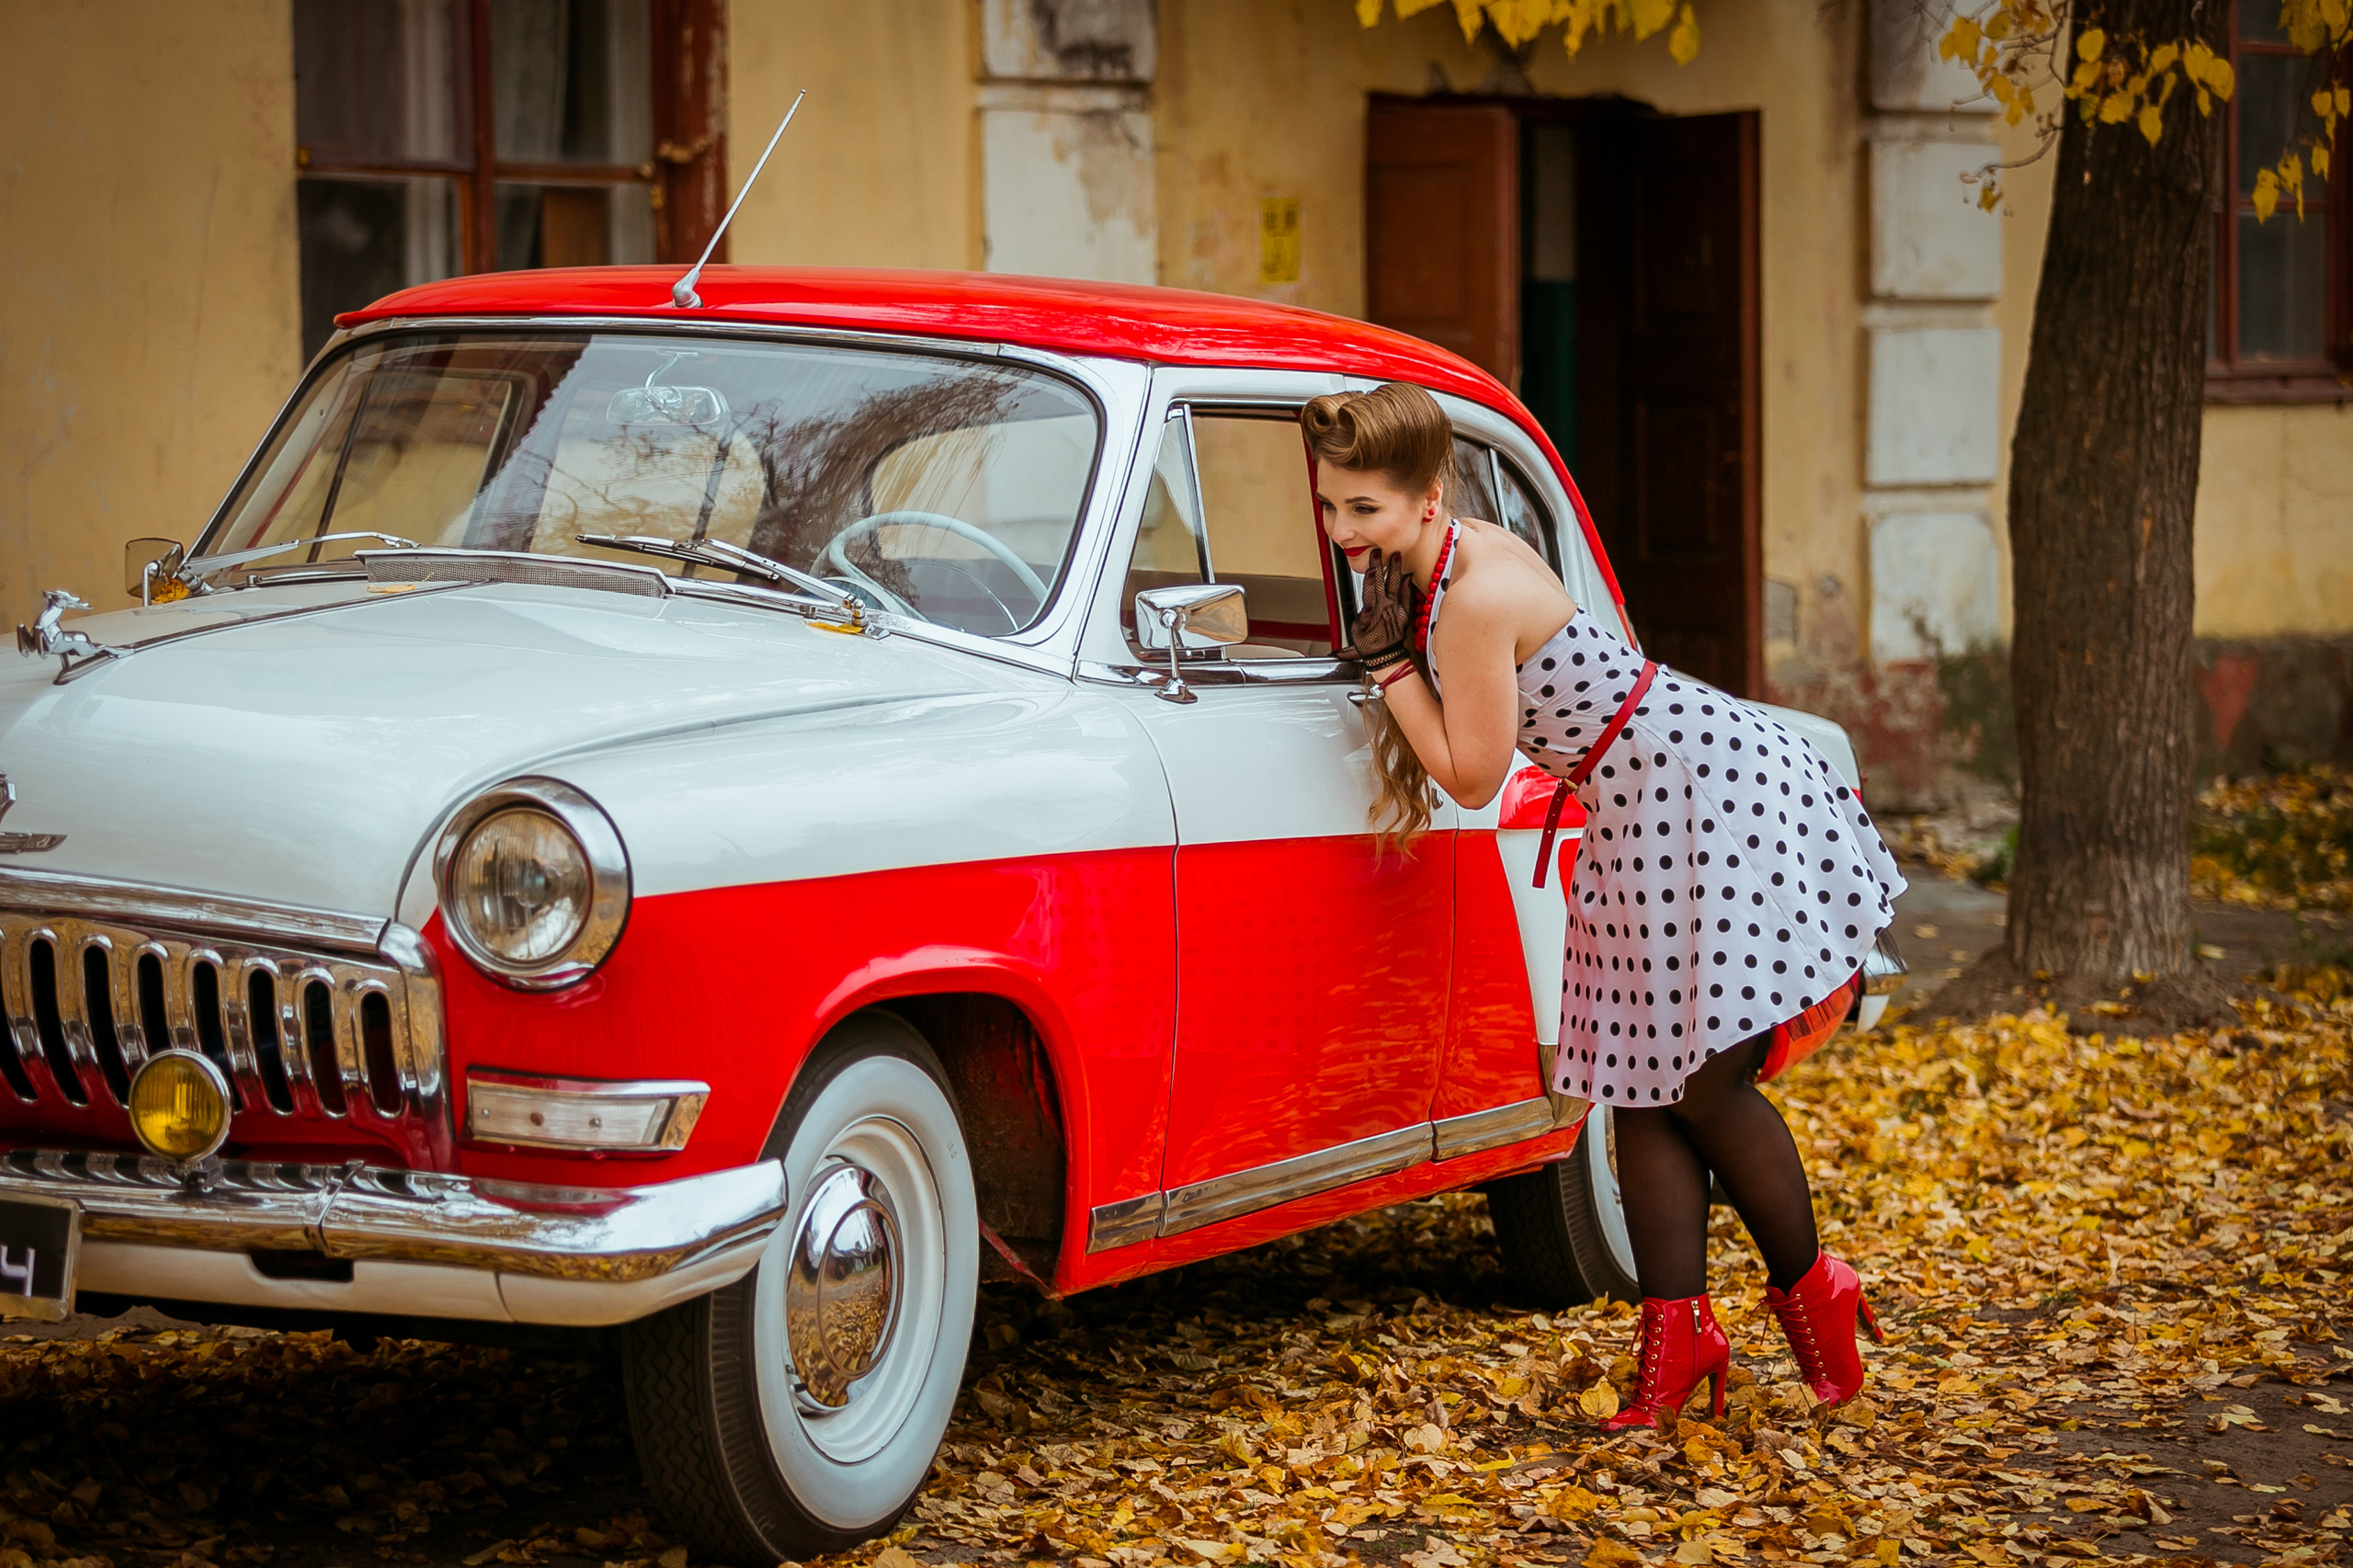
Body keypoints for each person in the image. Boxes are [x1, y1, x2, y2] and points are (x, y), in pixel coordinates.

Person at [1302, 382, 1906, 1429]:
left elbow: (1471, 773)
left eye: (1365, 509)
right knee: (1640, 1085)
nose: (1345, 530)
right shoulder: (1442, 564)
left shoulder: (1474, 593)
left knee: (1706, 1085)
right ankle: (1676, 1345)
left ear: (1428, 495)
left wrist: (1390, 665)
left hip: (1703, 790)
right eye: (1331, 508)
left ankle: (1816, 1289)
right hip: (1638, 805)